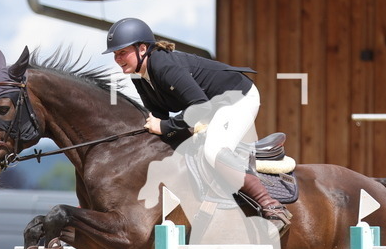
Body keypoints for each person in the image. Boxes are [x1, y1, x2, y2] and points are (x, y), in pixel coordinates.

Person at [104, 17, 292, 236]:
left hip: (237, 99)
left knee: (214, 151)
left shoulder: (163, 66)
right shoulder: (140, 76)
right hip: (211, 107)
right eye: (115, 54)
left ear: (142, 48)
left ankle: (271, 206)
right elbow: (159, 115)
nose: (118, 59)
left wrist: (165, 127)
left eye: (122, 52)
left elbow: (199, 107)